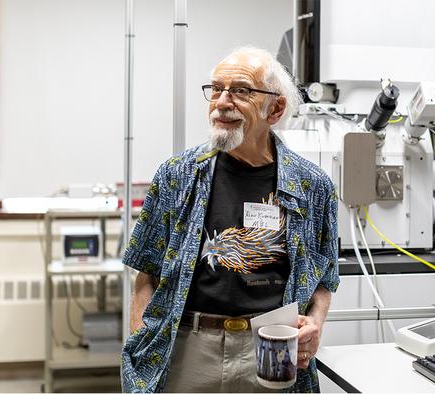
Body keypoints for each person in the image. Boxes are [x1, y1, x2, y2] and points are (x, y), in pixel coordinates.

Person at [120, 46, 340, 392]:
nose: (222, 102)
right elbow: (145, 274)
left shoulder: (313, 187)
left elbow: (325, 277)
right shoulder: (177, 176)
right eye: (216, 89)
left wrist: (314, 325)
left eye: (240, 91)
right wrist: (142, 344)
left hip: (271, 351)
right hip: (187, 350)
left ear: (276, 108)